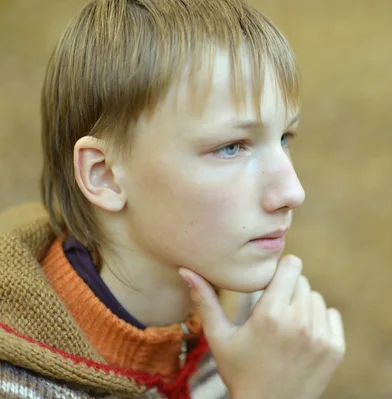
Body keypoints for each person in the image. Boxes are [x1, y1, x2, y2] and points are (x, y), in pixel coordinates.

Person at [0, 0, 346, 398]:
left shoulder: (262, 321)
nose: (292, 192)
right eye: (232, 147)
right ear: (106, 175)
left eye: (284, 138)